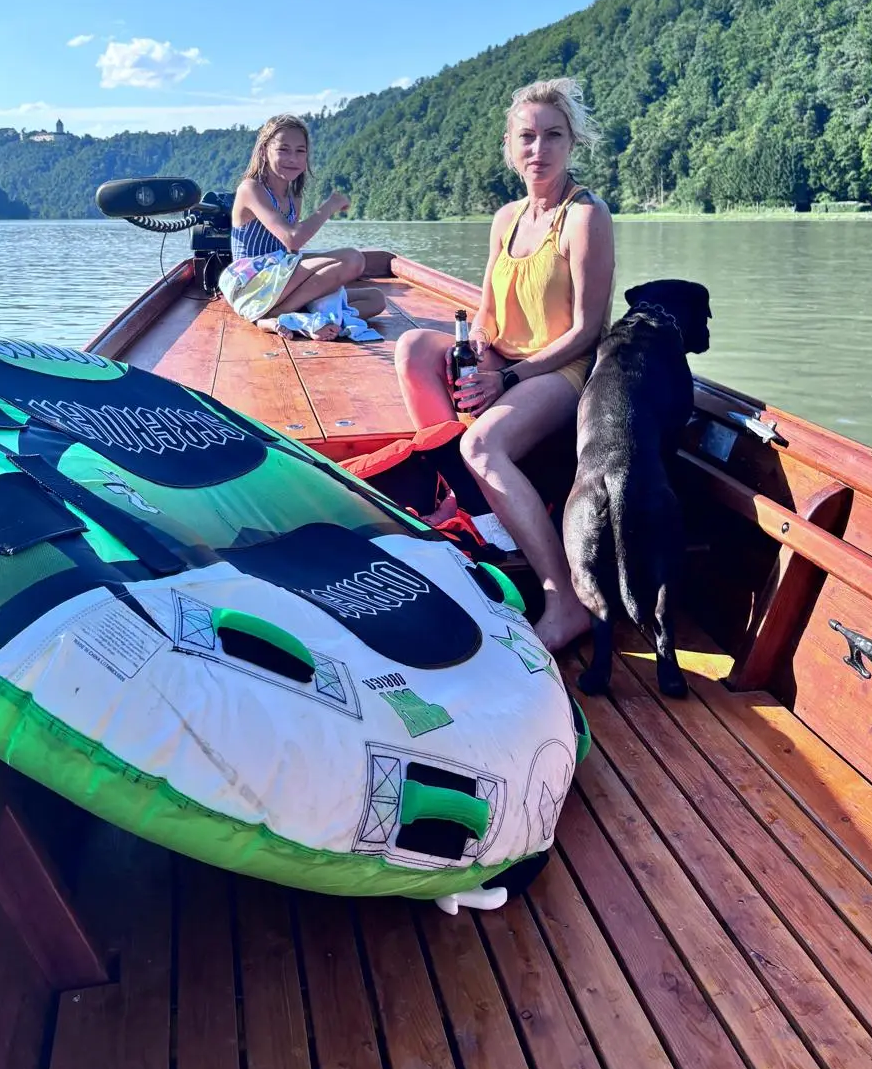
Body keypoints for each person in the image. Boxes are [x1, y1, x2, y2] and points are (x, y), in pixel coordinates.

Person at [394, 78, 614, 652]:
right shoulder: (507, 218)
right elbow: (489, 313)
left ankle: (565, 602)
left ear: (572, 144)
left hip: (561, 372)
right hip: (508, 364)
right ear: (510, 147)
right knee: (414, 349)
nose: (538, 150)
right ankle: (471, 503)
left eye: (552, 136)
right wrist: (480, 355)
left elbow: (587, 329)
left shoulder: (586, 217)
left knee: (482, 445)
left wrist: (507, 378)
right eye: (527, 137)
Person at [219, 113, 385, 337]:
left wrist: (326, 281)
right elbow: (292, 238)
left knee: (376, 299)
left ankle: (310, 319)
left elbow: (291, 251)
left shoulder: (293, 196)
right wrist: (330, 206)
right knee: (353, 258)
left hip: (280, 279)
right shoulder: (251, 189)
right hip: (252, 283)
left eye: (300, 151)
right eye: (283, 150)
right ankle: (274, 315)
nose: (293, 158)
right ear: (264, 151)